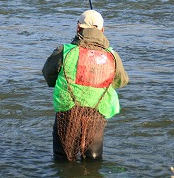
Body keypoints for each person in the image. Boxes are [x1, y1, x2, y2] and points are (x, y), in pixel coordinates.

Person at [42, 9, 129, 161]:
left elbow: (48, 73)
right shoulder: (112, 56)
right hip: (97, 113)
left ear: (78, 28)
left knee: (62, 159)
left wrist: (55, 83)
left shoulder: (65, 51)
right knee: (93, 160)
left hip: (67, 112)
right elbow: (121, 81)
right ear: (102, 30)